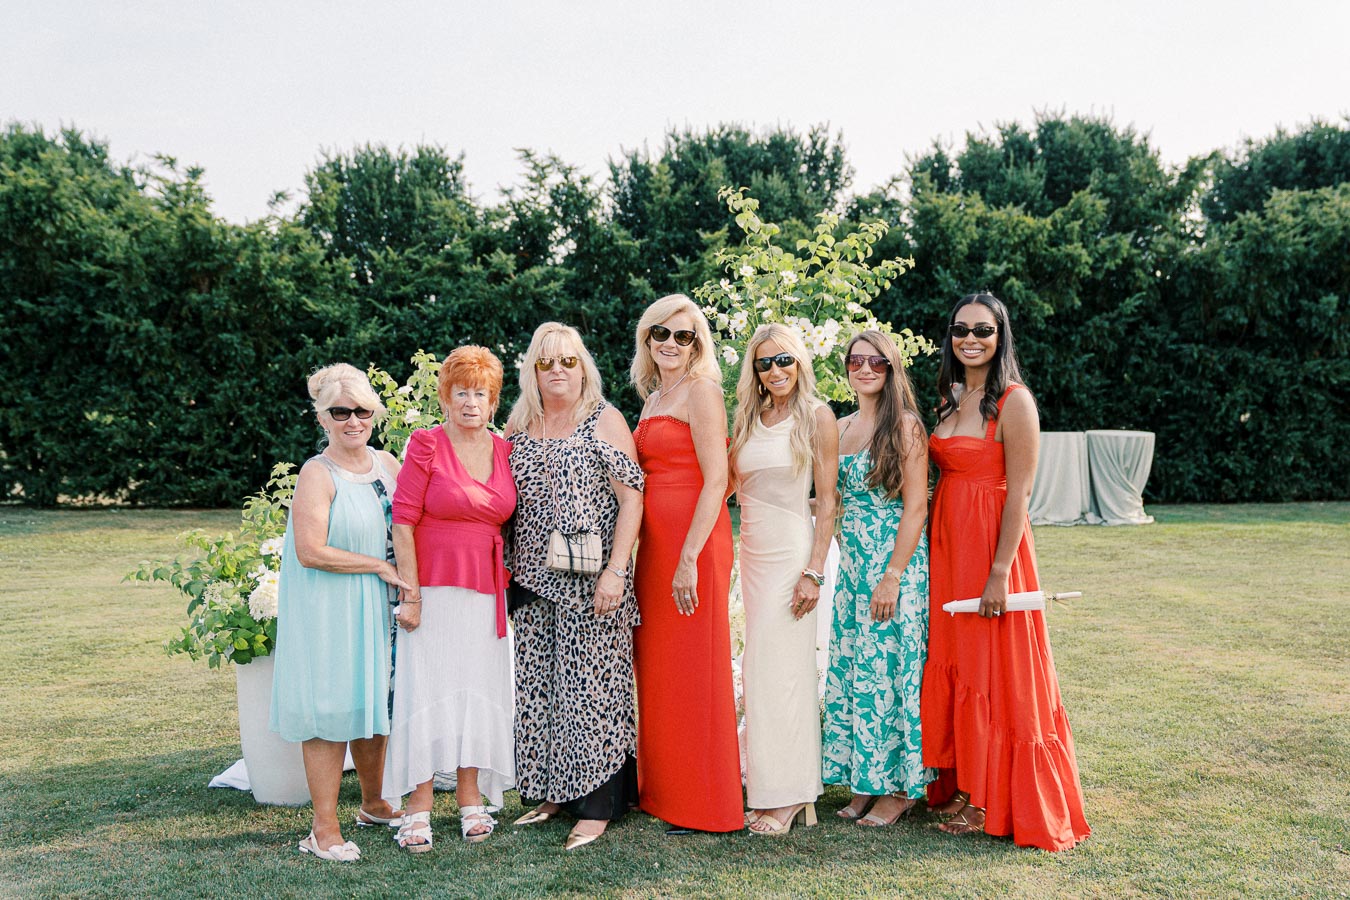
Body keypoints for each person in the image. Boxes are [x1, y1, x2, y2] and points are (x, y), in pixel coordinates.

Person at [920, 292, 1091, 851]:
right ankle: (966, 782)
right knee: (959, 659)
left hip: (993, 547)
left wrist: (999, 573)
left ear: (1001, 336)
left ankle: (995, 796)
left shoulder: (1015, 402)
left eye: (984, 330)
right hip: (947, 543)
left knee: (997, 667)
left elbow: (1019, 494)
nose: (971, 338)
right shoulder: (949, 398)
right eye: (961, 329)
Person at [503, 323, 646, 851]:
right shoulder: (519, 424)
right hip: (532, 578)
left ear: (583, 366)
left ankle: (598, 803)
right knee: (540, 690)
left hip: (592, 580)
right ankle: (550, 792)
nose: (557, 371)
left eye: (567, 361)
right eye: (546, 363)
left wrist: (616, 571)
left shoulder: (603, 418)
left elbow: (633, 498)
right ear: (533, 371)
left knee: (592, 690)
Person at [269, 363, 410, 863]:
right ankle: (323, 829)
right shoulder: (316, 472)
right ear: (323, 418)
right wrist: (377, 565)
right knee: (329, 710)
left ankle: (374, 803)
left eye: (362, 410)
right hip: (330, 607)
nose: (353, 420)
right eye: (340, 411)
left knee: (374, 703)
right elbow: (310, 550)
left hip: (378, 605)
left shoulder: (389, 464)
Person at [382, 346, 517, 852]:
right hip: (433, 590)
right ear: (445, 396)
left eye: (480, 393)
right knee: (428, 690)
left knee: (474, 692)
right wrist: (411, 595)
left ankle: (468, 798)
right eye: (461, 392)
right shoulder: (426, 445)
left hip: (486, 593)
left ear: (492, 400)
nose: (470, 402)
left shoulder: (504, 450)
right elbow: (402, 520)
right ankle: (416, 806)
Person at [630, 294, 742, 833]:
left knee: (698, 665)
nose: (670, 344)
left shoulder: (702, 391)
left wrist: (688, 558)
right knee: (658, 666)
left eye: (683, 336)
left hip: (693, 544)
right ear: (647, 340)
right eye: (661, 334)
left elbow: (717, 480)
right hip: (654, 546)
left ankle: (705, 801)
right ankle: (663, 790)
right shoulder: (653, 397)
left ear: (698, 343)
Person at [821, 330, 936, 826]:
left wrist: (891, 576)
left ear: (891, 369)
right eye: (855, 361)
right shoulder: (841, 426)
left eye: (875, 361)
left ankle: (902, 788)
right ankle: (864, 782)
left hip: (895, 565)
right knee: (855, 669)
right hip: (851, 566)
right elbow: (832, 500)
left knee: (892, 673)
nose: (864, 368)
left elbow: (916, 509)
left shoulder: (906, 426)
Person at [730, 324, 838, 835]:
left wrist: (814, 572)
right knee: (759, 673)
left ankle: (790, 795)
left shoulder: (817, 416)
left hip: (793, 556)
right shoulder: (750, 418)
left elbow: (829, 501)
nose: (775, 371)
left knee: (786, 674)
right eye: (764, 363)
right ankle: (772, 784)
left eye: (784, 361)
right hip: (751, 555)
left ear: (800, 363)